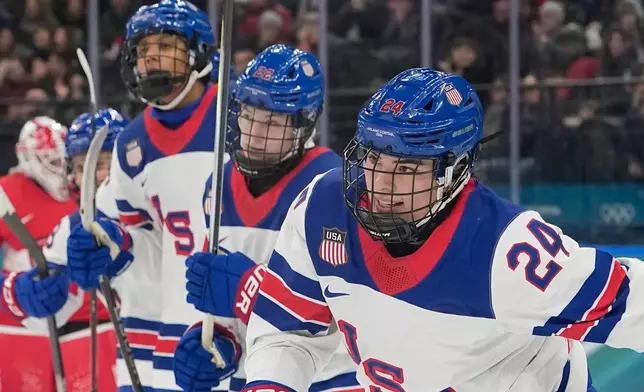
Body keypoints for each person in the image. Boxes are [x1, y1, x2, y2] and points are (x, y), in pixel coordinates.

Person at [239, 69, 617, 392]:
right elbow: (288, 333)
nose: (381, 185)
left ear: (455, 169)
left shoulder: (508, 249)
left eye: (405, 169)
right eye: (373, 158)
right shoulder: (322, 210)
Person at [173, 44, 360, 392]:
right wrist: (217, 341)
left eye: (272, 121)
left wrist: (248, 290)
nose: (255, 132)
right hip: (255, 378)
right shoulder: (220, 182)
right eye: (248, 115)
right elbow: (223, 298)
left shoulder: (334, 187)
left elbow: (349, 309)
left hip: (330, 381)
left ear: (304, 124)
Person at [65, 1, 225, 390]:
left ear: (199, 53)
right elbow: (129, 231)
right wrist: (106, 244)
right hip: (173, 334)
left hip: (248, 332)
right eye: (142, 50)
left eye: (164, 46)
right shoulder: (132, 141)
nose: (150, 57)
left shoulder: (237, 115)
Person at [2, 109, 127, 391]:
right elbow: (52, 295)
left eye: (100, 163)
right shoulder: (72, 222)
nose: (87, 178)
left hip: (142, 332)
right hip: (66, 331)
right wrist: (15, 292)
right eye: (79, 167)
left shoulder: (156, 202)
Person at [0, 116, 78, 391]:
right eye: (52, 160)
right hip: (20, 327)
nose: (62, 169)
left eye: (64, 159)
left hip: (83, 327)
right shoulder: (6, 194)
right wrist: (10, 290)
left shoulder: (81, 191)